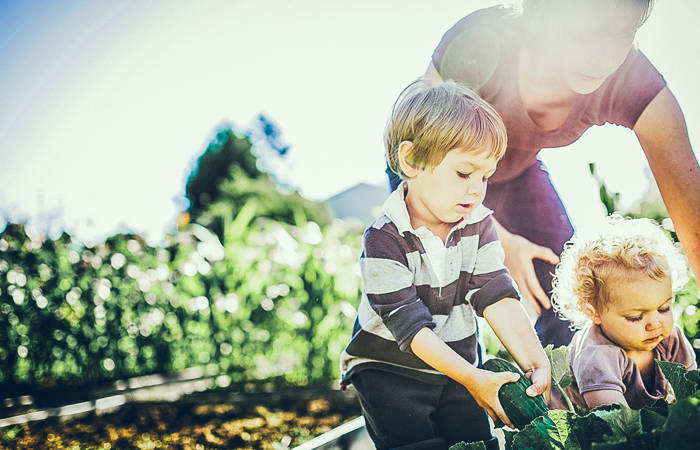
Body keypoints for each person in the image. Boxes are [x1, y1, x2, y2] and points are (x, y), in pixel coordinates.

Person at [386, 0, 700, 348]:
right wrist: (497, 238)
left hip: (517, 172)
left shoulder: (635, 82)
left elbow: (695, 221)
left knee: (567, 285)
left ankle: (573, 392)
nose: (602, 57)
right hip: (427, 171)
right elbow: (416, 145)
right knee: (434, 294)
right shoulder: (481, 42)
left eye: (622, 35)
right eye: (584, 34)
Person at [340, 78, 551, 449]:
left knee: (476, 442)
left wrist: (534, 360)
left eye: (486, 176)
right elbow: (409, 326)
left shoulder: (479, 225)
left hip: (458, 362)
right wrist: (472, 378)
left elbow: (496, 294)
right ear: (412, 161)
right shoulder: (384, 238)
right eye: (464, 173)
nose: (477, 188)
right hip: (389, 371)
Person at [551, 215, 697, 409]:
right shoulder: (596, 356)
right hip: (593, 432)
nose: (655, 323)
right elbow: (616, 423)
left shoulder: (671, 340)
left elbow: (693, 395)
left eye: (664, 308)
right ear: (594, 313)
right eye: (635, 317)